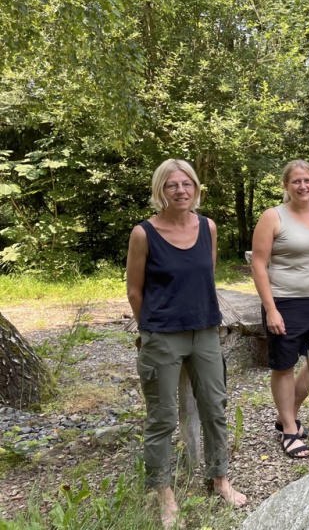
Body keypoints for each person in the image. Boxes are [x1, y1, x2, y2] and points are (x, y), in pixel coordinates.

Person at [126, 159, 246, 529]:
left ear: (196, 188)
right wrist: (151, 331)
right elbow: (134, 289)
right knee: (161, 417)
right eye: (172, 185)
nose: (181, 191)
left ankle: (219, 478)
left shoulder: (207, 226)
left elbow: (206, 276)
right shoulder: (144, 233)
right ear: (160, 190)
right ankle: (163, 491)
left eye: (187, 184)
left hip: (205, 331)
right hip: (162, 335)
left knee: (215, 408)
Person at [251, 160, 309, 459]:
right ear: (286, 185)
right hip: (284, 301)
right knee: (285, 364)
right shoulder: (273, 217)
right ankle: (290, 428)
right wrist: (271, 309)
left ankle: (287, 413)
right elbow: (259, 264)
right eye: (296, 182)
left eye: (307, 180)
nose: (303, 186)